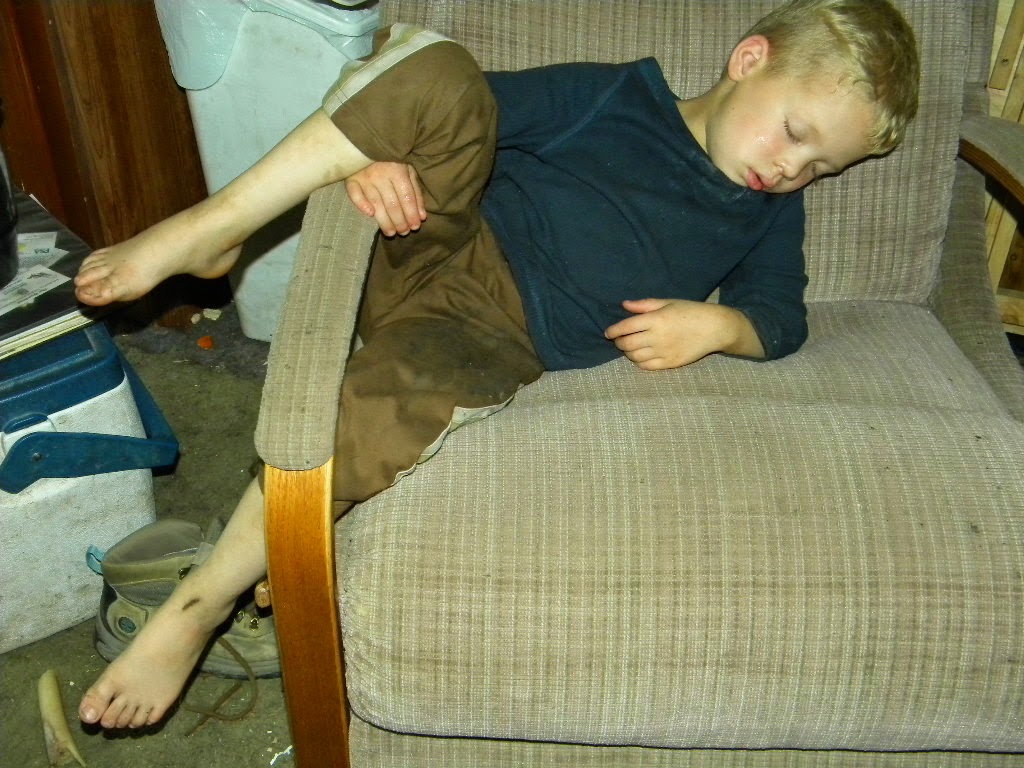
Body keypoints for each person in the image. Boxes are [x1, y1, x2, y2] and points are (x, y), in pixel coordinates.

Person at [74, 0, 919, 730]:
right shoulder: (616, 97)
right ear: (749, 60)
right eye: (796, 133)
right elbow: (465, 108)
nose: (791, 168)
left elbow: (782, 318)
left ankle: (200, 604)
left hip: (483, 337)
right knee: (436, 66)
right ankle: (213, 229)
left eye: (820, 167)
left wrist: (720, 325)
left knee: (383, 410)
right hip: (431, 240)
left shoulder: (766, 214)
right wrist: (384, 156)